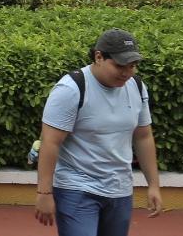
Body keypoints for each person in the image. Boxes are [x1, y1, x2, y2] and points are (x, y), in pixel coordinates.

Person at [35, 29, 163, 236]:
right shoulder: (71, 89)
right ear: (99, 57)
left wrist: (153, 185)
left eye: (132, 66)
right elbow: (51, 142)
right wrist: (44, 192)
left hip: (120, 189)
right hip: (76, 187)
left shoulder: (137, 87)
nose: (126, 73)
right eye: (120, 66)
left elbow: (143, 137)